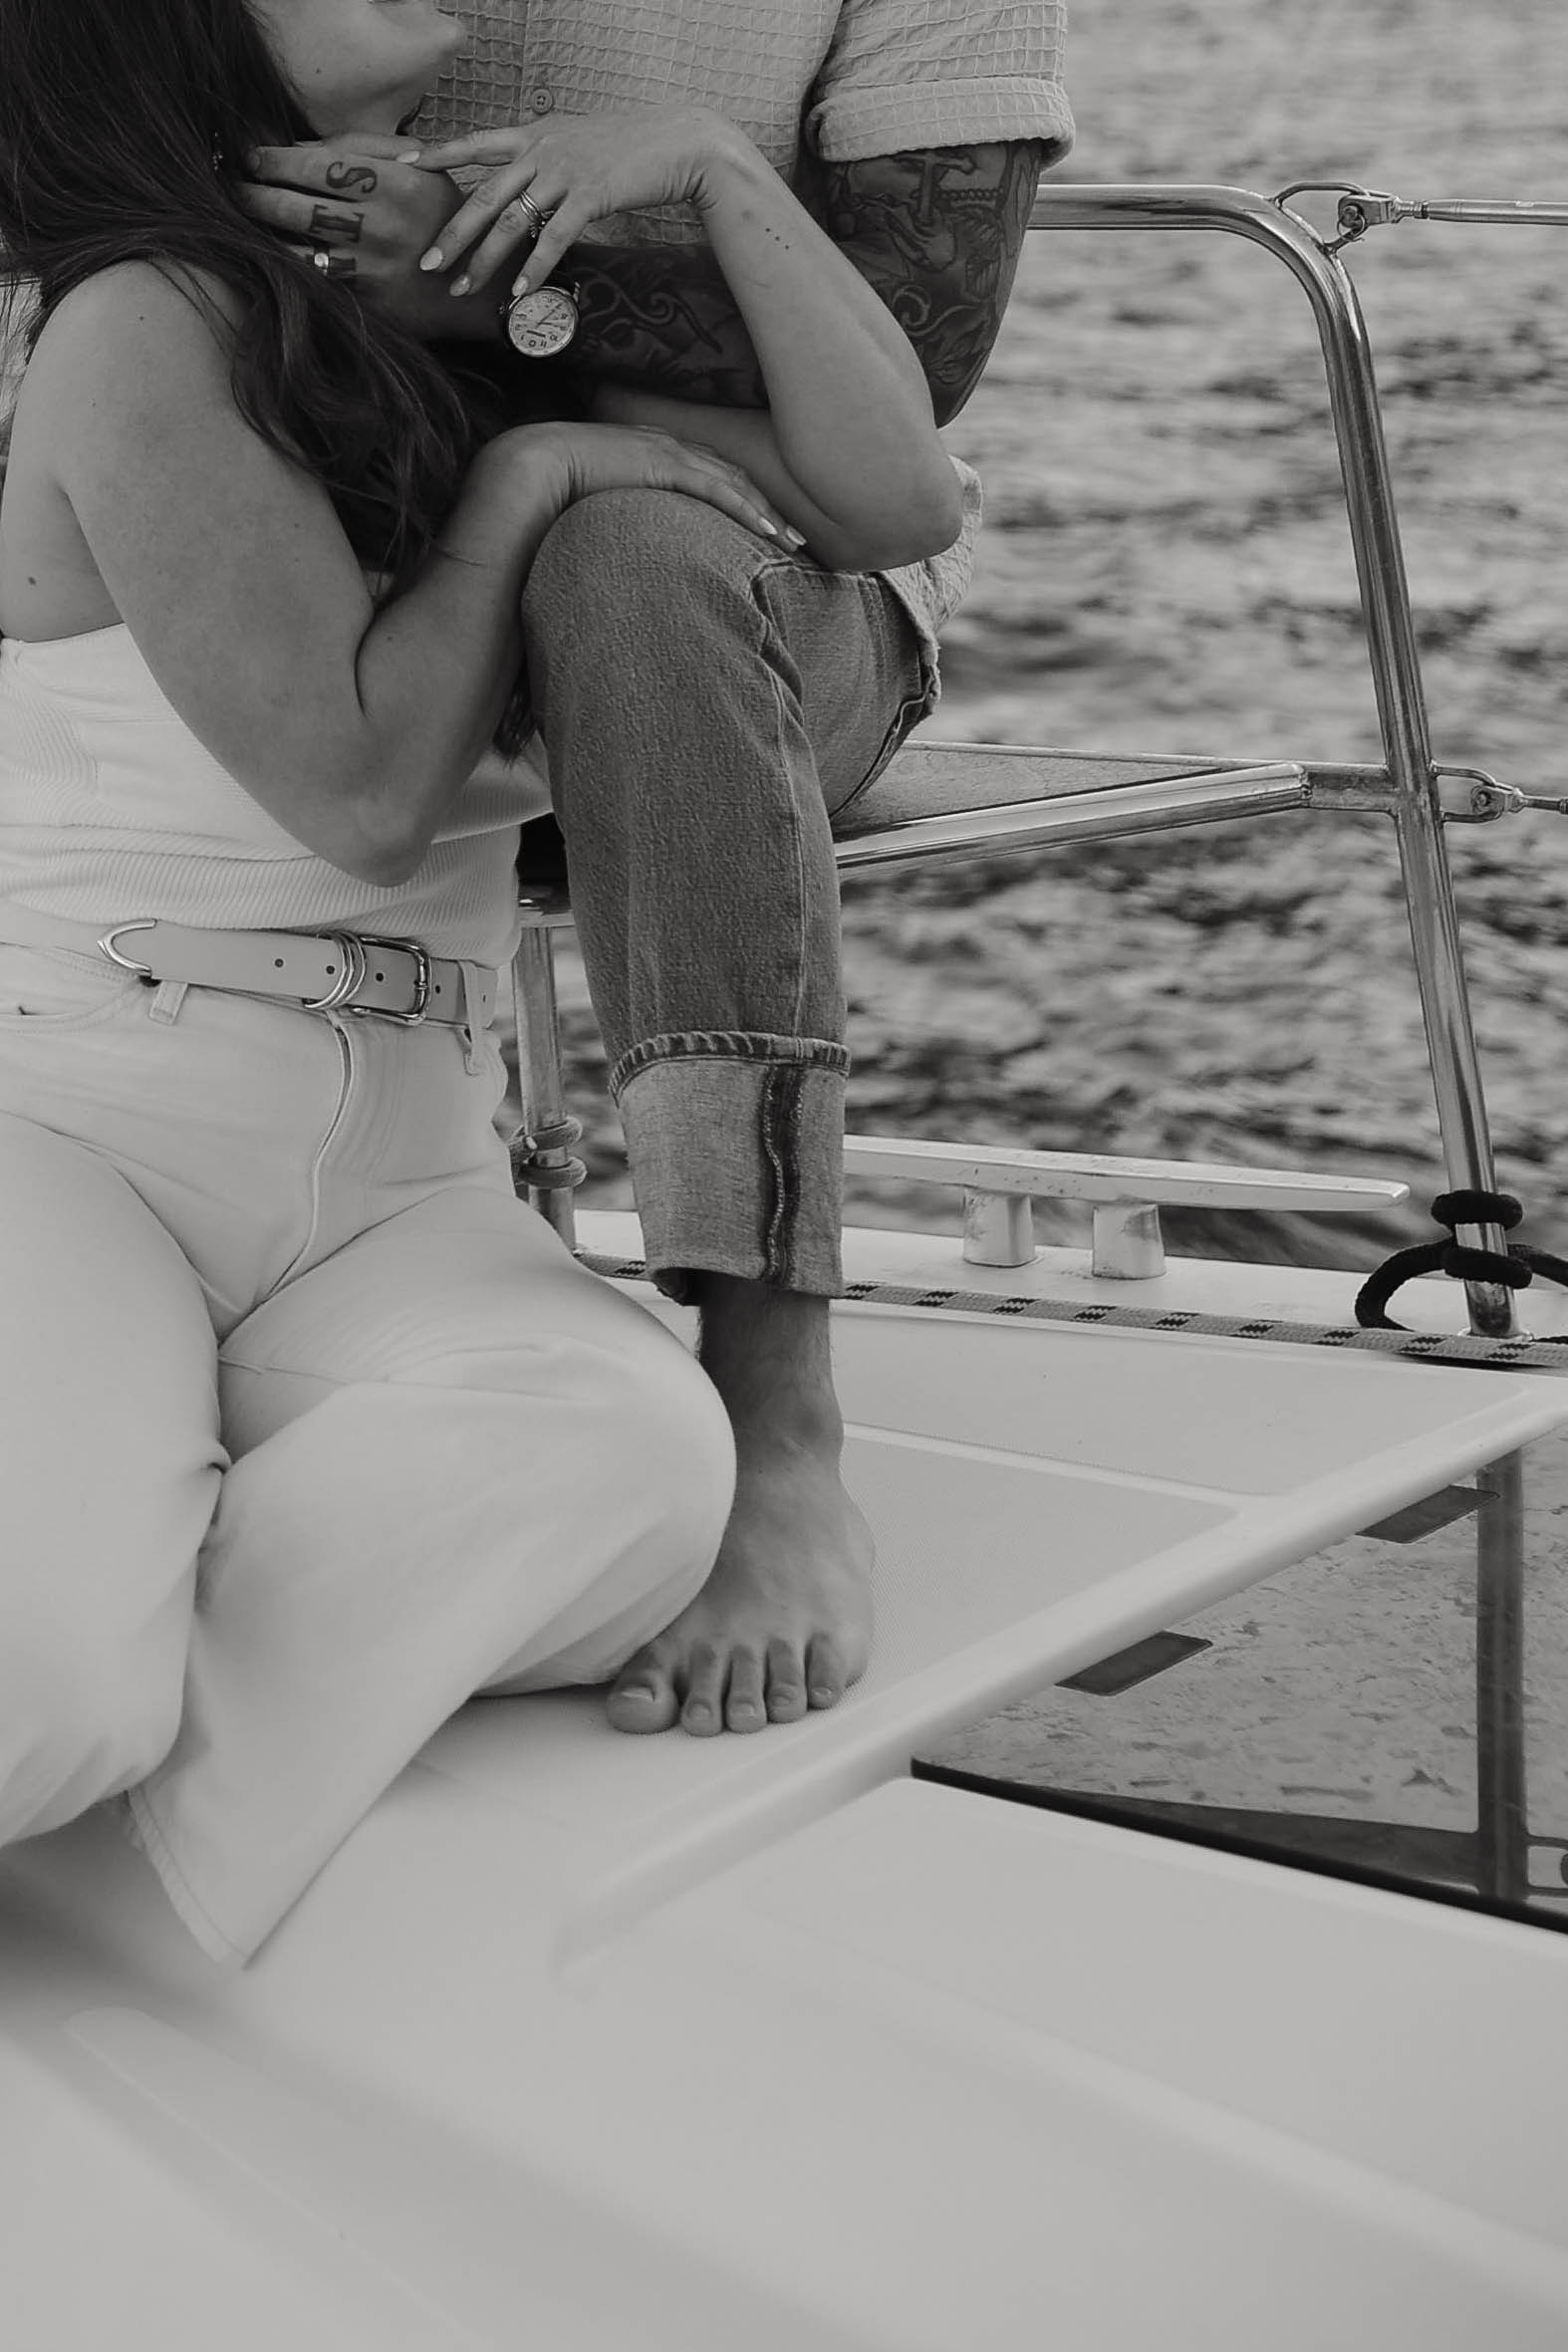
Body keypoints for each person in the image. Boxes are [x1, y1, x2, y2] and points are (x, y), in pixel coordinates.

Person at [0, 0, 966, 1963]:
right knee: (50, 1675)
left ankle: (118, 1861)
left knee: (635, 1462)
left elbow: (900, 507)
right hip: (80, 1109)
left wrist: (698, 174)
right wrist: (530, 485)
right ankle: (99, 1656)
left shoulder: (436, 286)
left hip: (400, 1163)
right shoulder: (140, 315)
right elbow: (363, 791)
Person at [236, 0, 1076, 1739]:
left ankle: (778, 1412)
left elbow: (913, 360)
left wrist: (493, 296)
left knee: (627, 561)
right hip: (366, 518)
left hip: (757, 543)